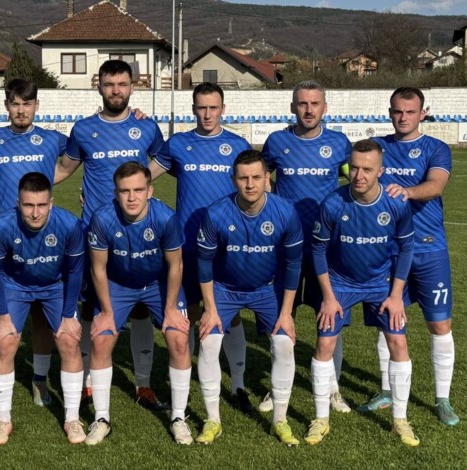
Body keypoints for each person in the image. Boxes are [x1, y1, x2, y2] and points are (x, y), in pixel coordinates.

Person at [56, 59, 166, 409]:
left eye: (122, 84)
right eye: (109, 84)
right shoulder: (84, 129)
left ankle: (143, 384)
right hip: (95, 233)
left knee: (140, 309)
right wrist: (29, 187)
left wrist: (139, 188)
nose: (115, 91)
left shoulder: (146, 127)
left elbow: (163, 160)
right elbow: (64, 168)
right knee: (91, 308)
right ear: (99, 86)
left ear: (132, 86)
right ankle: (89, 382)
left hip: (137, 233)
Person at [148, 82, 254, 413]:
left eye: (213, 108)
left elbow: (255, 186)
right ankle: (187, 380)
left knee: (230, 316)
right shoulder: (178, 144)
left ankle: (238, 386)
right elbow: (144, 177)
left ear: (223, 109)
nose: (207, 114)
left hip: (227, 246)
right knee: (188, 314)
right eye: (201, 108)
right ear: (193, 109)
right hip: (187, 246)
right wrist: (114, 193)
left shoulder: (237, 145)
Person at [305, 139, 417, 447]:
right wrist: (328, 297)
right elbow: (318, 250)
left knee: (398, 342)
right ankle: (321, 419)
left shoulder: (395, 203)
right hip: (340, 283)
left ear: (381, 171)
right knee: (324, 342)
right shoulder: (333, 203)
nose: (359, 175)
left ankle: (400, 420)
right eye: (354, 168)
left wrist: (396, 295)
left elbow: (406, 248)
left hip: (381, 284)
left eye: (367, 169)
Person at [363, 87, 459, 427]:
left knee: (439, 324)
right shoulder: (378, 148)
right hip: (388, 250)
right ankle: (387, 390)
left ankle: (442, 399)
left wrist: (407, 191)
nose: (403, 117)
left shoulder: (436, 148)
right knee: (387, 322)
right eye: (397, 111)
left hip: (429, 249)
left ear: (422, 113)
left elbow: (436, 185)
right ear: (389, 112)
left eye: (410, 111)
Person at [195, 150, 303, 446]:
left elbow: (294, 264)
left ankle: (280, 421)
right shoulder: (216, 213)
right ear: (233, 180)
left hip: (267, 289)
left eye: (257, 177)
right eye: (243, 178)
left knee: (284, 344)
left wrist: (286, 313)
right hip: (225, 289)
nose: (250, 184)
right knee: (208, 343)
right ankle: (213, 421)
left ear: (267, 178)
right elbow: (204, 263)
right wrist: (210, 309)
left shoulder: (285, 212)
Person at [0, 78, 67, 407]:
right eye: (15, 103)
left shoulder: (53, 139)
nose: (21, 110)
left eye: (27, 103)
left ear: (37, 105)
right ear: (6, 106)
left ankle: (39, 380)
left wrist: (53, 180)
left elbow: (80, 156)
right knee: (2, 319)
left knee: (40, 317)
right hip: (1, 243)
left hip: (42, 241)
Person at [84, 162, 192, 445]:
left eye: (138, 190)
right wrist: (107, 312)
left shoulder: (165, 218)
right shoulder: (102, 218)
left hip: (157, 284)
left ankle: (178, 418)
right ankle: (101, 419)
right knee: (101, 338)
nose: (132, 197)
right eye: (124, 191)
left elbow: (176, 265)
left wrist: (171, 309)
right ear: (115, 193)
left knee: (179, 339)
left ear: (150, 191)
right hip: (118, 285)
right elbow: (98, 269)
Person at [261, 80, 352, 414]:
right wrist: (270, 200)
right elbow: (260, 174)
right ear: (292, 107)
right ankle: (277, 387)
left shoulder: (339, 143)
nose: (309, 110)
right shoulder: (277, 141)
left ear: (325, 107)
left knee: (329, 314)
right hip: (284, 245)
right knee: (281, 315)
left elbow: (355, 179)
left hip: (325, 246)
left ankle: (332, 388)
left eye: (315, 103)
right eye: (302, 103)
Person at [0, 172, 85, 445]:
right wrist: (3, 316)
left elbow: (76, 271)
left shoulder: (69, 224)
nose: (35, 212)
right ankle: (3, 420)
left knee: (69, 339)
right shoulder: (2, 225)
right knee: (5, 341)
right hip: (15, 285)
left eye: (41, 205)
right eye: (28, 205)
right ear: (18, 203)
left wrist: (68, 315)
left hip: (54, 286)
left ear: (51, 203)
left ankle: (72, 419)